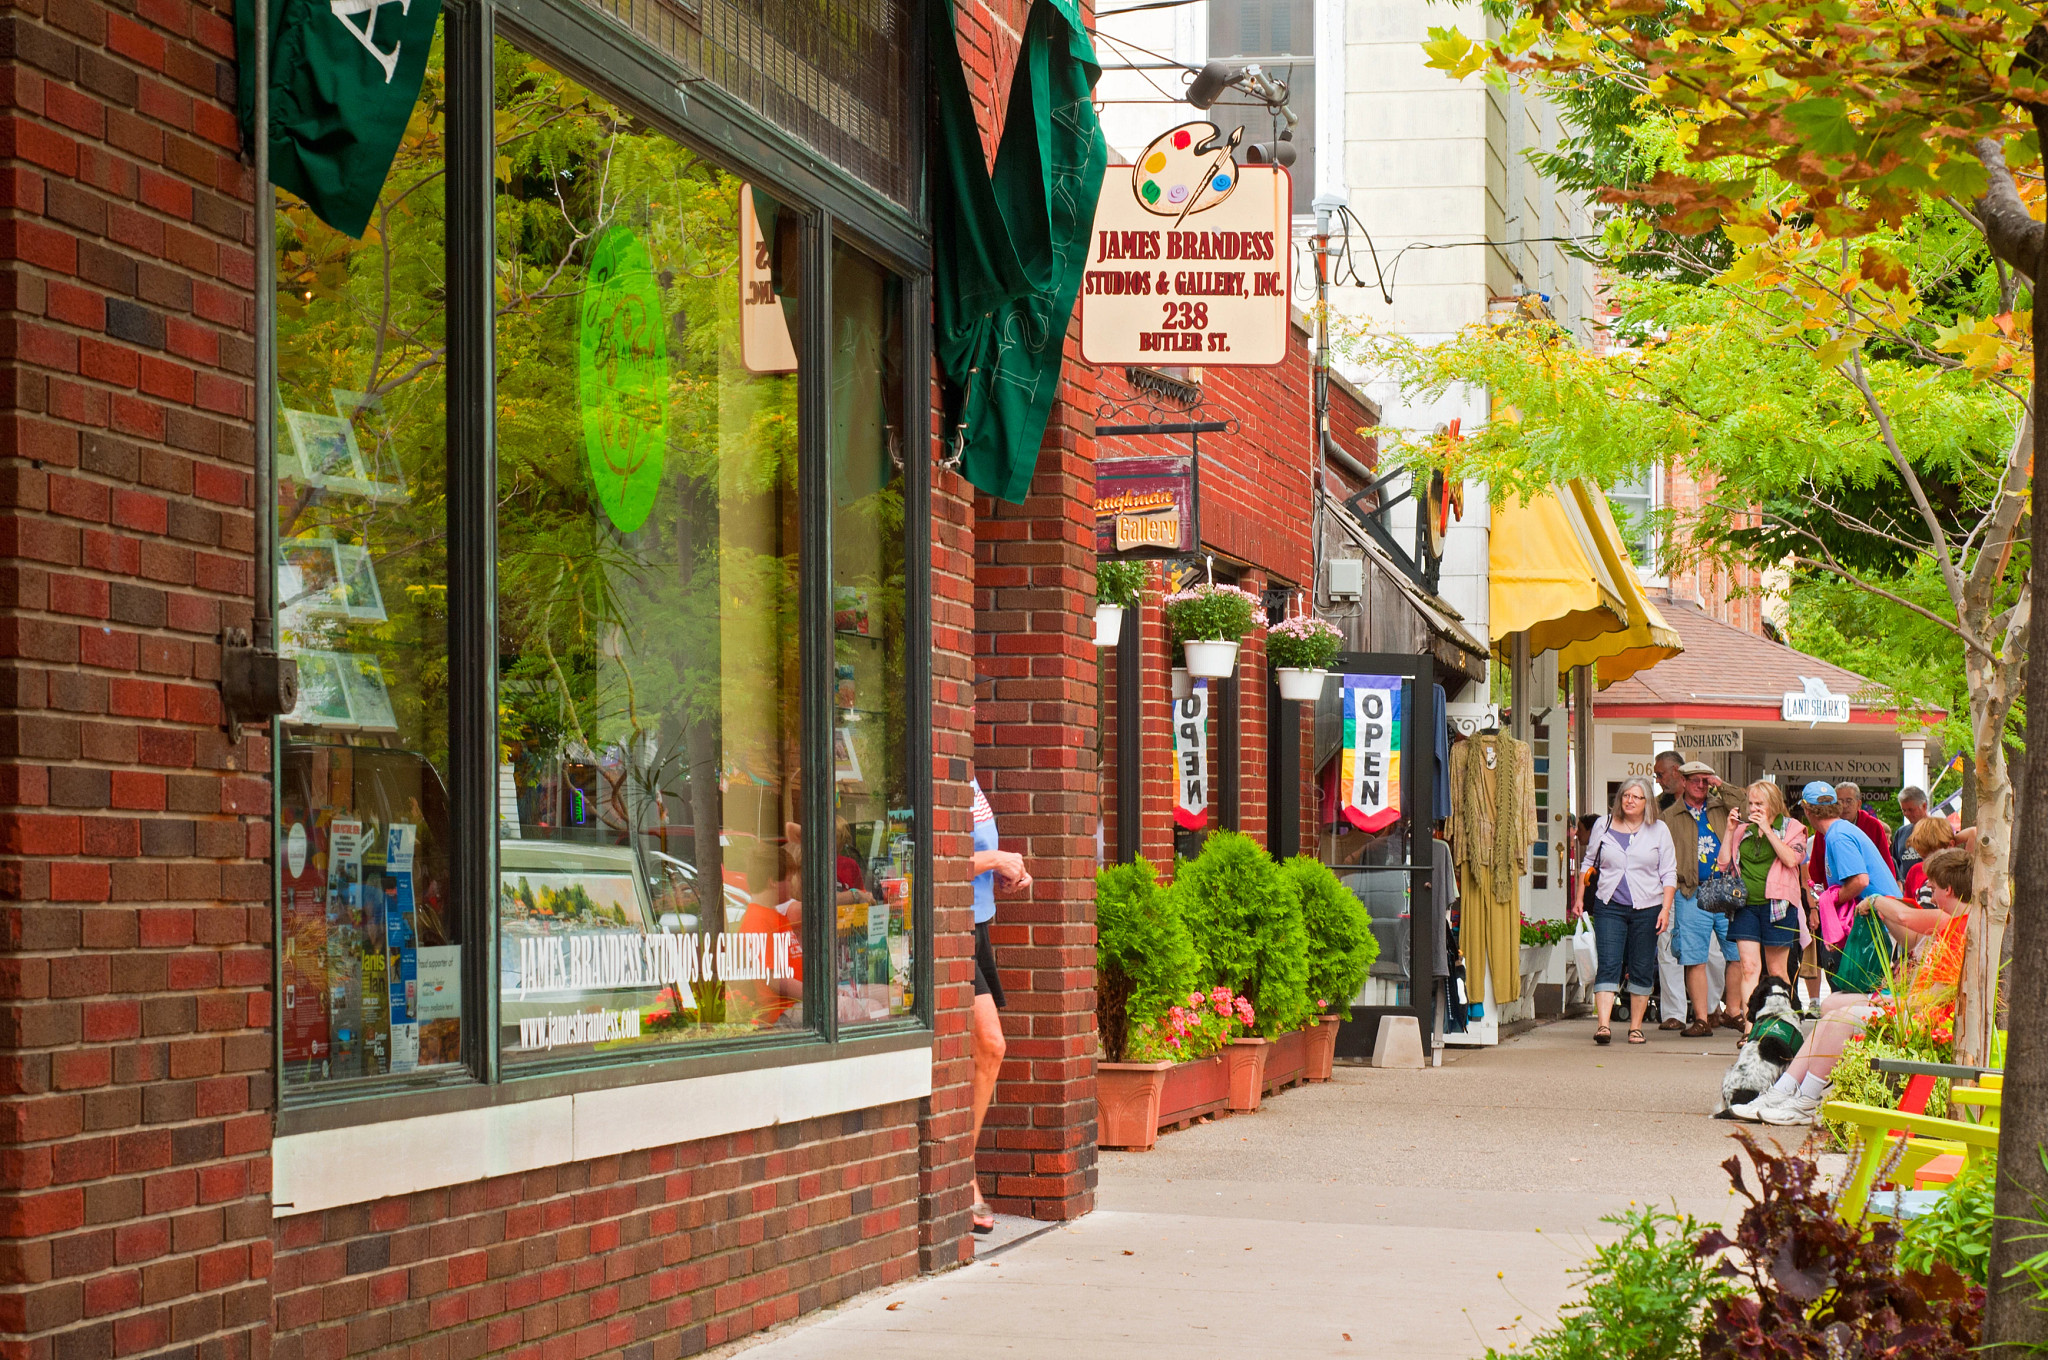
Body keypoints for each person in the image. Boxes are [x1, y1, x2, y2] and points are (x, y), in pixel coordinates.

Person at [1732, 846, 1970, 1125]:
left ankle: (1806, 1099)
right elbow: (1910, 938)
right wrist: (1883, 916)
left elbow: (1909, 925)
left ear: (1950, 889)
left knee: (1840, 1017)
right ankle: (1785, 1089)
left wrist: (1876, 899)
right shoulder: (1952, 920)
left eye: (1934, 885)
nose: (1928, 888)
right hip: (1917, 1006)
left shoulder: (1953, 919)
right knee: (1832, 1007)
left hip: (1927, 1015)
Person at [967, 769, 1030, 1234]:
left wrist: (1003, 876)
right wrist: (993, 859)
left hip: (977, 928)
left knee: (984, 1051)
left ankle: (958, 1168)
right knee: (991, 1044)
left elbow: (974, 864)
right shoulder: (937, 764)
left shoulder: (970, 780)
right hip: (944, 929)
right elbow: (929, 859)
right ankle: (960, 1174)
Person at [1576, 776, 1676, 1046]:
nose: (1630, 801)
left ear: (1647, 802)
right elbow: (1588, 862)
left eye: (1637, 797)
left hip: (1648, 906)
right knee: (1609, 962)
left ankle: (1635, 1028)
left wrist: (1665, 909)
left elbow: (1668, 873)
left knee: (1642, 965)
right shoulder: (1604, 825)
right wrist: (1579, 897)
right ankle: (1604, 1025)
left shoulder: (1659, 830)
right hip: (1609, 904)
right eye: (1626, 796)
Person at [1660, 760, 1744, 1036]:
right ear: (1682, 782)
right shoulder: (1670, 816)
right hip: (1691, 891)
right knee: (1694, 957)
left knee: (1736, 953)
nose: (1700, 785)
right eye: (1694, 780)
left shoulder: (1721, 807)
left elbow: (1744, 800)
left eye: (1705, 781)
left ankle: (1732, 1011)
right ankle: (1701, 1018)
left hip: (1725, 888)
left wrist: (1720, 783)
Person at [1716, 779, 1808, 1027]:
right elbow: (1722, 863)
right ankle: (1750, 1028)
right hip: (1744, 905)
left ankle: (1784, 1024)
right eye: (1751, 803)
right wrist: (1729, 830)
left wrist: (1767, 829)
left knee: (1778, 971)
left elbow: (1792, 859)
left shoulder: (1793, 828)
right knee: (1749, 968)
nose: (1754, 808)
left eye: (1760, 804)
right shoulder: (1741, 830)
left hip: (1778, 907)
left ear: (1775, 804)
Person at [1835, 781, 1897, 875]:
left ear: (1859, 804)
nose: (1844, 806)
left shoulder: (1873, 826)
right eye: (1840, 801)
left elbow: (1885, 862)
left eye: (1849, 801)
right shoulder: (1827, 827)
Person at [1892, 786, 1929, 872]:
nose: (1907, 814)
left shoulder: (1938, 830)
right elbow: (1896, 864)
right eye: (1904, 810)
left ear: (1924, 806)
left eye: (1911, 810)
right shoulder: (1901, 833)